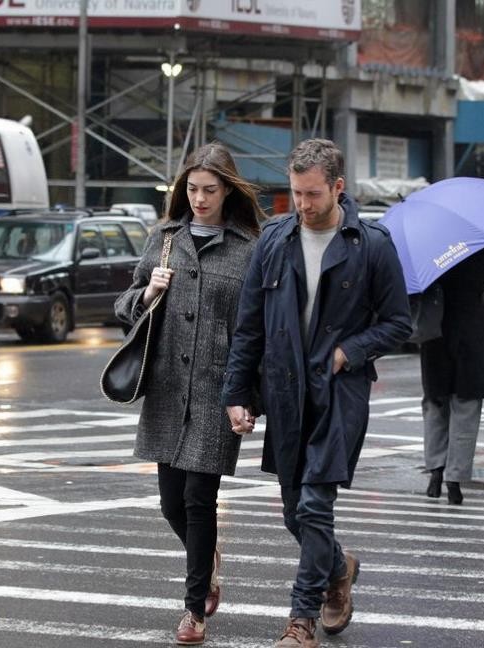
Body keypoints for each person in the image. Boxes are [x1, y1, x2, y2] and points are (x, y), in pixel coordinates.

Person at [221, 138, 412, 648]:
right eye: (294, 194)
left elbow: (398, 323)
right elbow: (249, 327)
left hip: (340, 391)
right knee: (293, 512)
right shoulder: (276, 240)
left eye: (311, 195)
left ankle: (300, 620)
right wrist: (237, 393)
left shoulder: (371, 244)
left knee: (313, 507)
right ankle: (339, 567)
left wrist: (351, 350)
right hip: (285, 391)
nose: (302, 205)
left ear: (338, 188)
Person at [113, 142, 264, 646]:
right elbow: (124, 306)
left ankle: (194, 608)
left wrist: (248, 395)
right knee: (170, 504)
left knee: (201, 500)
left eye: (210, 190)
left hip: (217, 392)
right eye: (193, 190)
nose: (200, 199)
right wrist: (148, 293)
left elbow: (255, 330)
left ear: (229, 191)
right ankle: (210, 560)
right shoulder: (163, 239)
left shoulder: (249, 248)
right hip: (166, 390)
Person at [420, 244, 484, 506]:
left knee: (435, 402)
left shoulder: (430, 246)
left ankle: (435, 471)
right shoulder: (483, 246)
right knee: (466, 406)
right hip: (472, 332)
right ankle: (455, 481)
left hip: (435, 332)